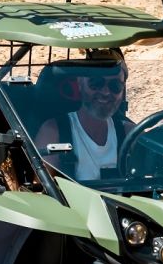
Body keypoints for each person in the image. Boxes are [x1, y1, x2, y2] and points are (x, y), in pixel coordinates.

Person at [34, 50, 134, 180]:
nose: (105, 92)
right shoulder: (54, 132)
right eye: (96, 83)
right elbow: (41, 190)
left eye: (115, 86)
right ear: (80, 83)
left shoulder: (130, 134)